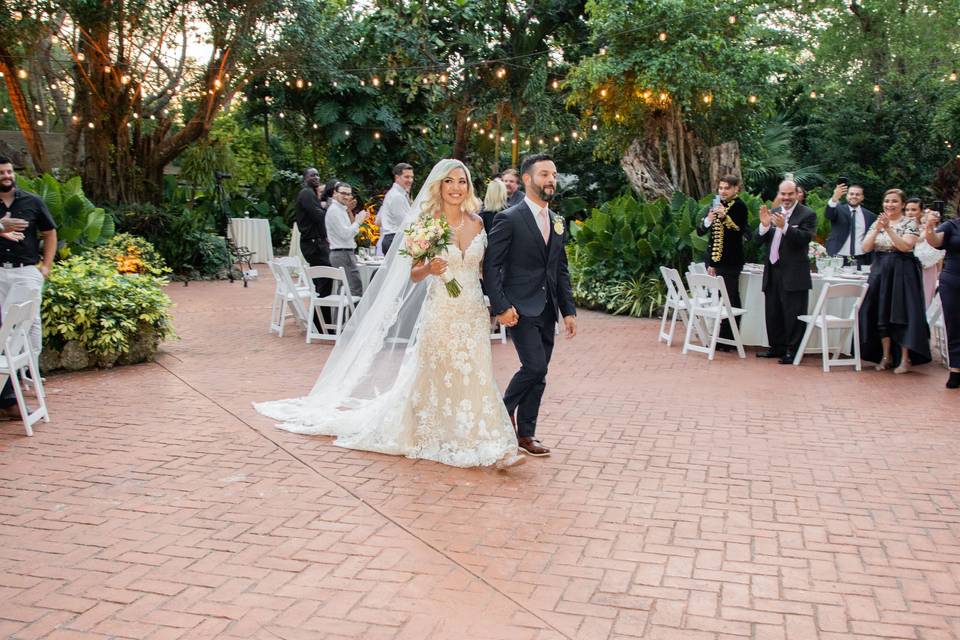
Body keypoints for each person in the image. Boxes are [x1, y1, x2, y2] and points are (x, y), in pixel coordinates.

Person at [255, 159, 525, 469]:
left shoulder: (478, 222)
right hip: (442, 310)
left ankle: (487, 439)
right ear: (439, 186)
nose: (456, 188)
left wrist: (500, 304)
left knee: (476, 372)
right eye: (449, 182)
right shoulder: (426, 223)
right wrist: (430, 268)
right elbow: (413, 274)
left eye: (461, 182)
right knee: (439, 372)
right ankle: (437, 432)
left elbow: (485, 270)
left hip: (473, 310)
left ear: (468, 187)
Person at [483, 154, 578, 457]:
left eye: (554, 174)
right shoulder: (508, 218)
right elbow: (492, 267)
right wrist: (501, 306)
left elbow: (559, 269)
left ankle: (526, 435)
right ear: (527, 179)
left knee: (541, 373)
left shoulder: (558, 221)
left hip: (548, 307)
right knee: (534, 366)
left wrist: (569, 310)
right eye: (544, 174)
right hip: (519, 308)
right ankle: (499, 416)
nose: (551, 180)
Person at [0, 156, 57, 420]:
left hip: (25, 272)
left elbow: (49, 232)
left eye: (9, 171)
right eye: (1, 172)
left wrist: (45, 266)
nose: (6, 175)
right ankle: (11, 394)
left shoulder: (32, 201)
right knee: (5, 332)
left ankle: (27, 377)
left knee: (23, 327)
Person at [858, 189, 931, 374]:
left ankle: (905, 359)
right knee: (880, 312)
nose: (889, 204)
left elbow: (905, 246)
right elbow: (865, 247)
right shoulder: (877, 222)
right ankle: (885, 356)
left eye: (894, 201)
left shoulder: (910, 223)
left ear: (903, 204)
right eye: (887, 201)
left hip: (902, 271)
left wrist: (888, 229)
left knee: (901, 313)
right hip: (880, 270)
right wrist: (877, 229)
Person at [756, 180, 817, 364]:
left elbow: (804, 239)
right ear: (779, 194)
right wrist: (765, 226)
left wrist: (785, 227)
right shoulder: (774, 212)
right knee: (773, 312)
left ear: (797, 194)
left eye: (790, 194)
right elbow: (757, 240)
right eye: (783, 194)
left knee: (793, 314)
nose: (786, 198)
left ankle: (793, 351)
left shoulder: (807, 214)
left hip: (794, 274)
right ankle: (776, 347)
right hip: (773, 271)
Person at [696, 174, 748, 350]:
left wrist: (725, 217)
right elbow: (701, 231)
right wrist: (709, 219)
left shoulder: (740, 207)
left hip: (731, 262)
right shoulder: (715, 204)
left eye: (727, 188)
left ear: (735, 189)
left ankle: (729, 339)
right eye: (721, 188)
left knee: (731, 299)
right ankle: (722, 338)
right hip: (715, 261)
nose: (723, 191)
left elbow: (738, 233)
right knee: (720, 299)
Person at [922, 207, 960, 388]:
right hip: (953, 280)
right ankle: (955, 370)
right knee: (954, 324)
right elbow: (935, 241)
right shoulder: (952, 225)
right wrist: (929, 226)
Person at [295, 169, 332, 309]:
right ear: (305, 178)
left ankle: (322, 318)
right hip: (313, 244)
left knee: (322, 280)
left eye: (317, 174)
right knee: (326, 277)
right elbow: (318, 216)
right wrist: (328, 208)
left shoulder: (311, 194)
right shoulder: (306, 193)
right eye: (312, 175)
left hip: (316, 243)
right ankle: (322, 317)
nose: (316, 177)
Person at [325, 182, 367, 297]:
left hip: (343, 253)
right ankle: (351, 315)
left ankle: (342, 315)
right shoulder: (334, 211)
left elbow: (350, 232)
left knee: (345, 289)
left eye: (349, 194)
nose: (347, 197)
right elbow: (346, 234)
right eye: (343, 193)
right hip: (342, 254)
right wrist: (359, 221)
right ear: (335, 193)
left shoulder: (340, 209)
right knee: (354, 290)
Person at [825, 182, 876, 267]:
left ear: (862, 197)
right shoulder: (838, 210)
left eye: (857, 194)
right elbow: (828, 214)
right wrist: (834, 198)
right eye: (851, 194)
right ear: (847, 195)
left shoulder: (870, 216)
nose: (854, 196)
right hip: (838, 257)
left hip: (861, 259)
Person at [908, 199, 944, 307]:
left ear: (921, 211)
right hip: (906, 267)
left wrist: (939, 272)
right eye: (907, 210)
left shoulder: (930, 230)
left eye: (913, 210)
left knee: (925, 299)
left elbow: (938, 253)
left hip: (926, 267)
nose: (910, 213)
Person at [376, 163, 414, 255]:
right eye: (407, 177)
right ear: (397, 178)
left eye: (411, 177)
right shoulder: (397, 196)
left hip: (394, 239)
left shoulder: (398, 194)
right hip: (395, 240)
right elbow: (405, 222)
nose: (410, 180)